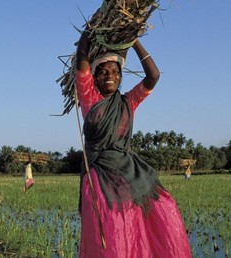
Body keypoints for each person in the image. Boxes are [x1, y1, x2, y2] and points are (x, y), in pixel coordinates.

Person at [75, 30, 192, 257]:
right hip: (100, 176)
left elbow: (153, 76)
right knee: (114, 234)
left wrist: (134, 40)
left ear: (120, 77)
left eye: (115, 72)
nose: (110, 75)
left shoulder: (128, 101)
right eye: (104, 72)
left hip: (129, 173)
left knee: (161, 212)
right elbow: (81, 64)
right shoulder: (89, 97)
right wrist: (86, 36)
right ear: (95, 78)